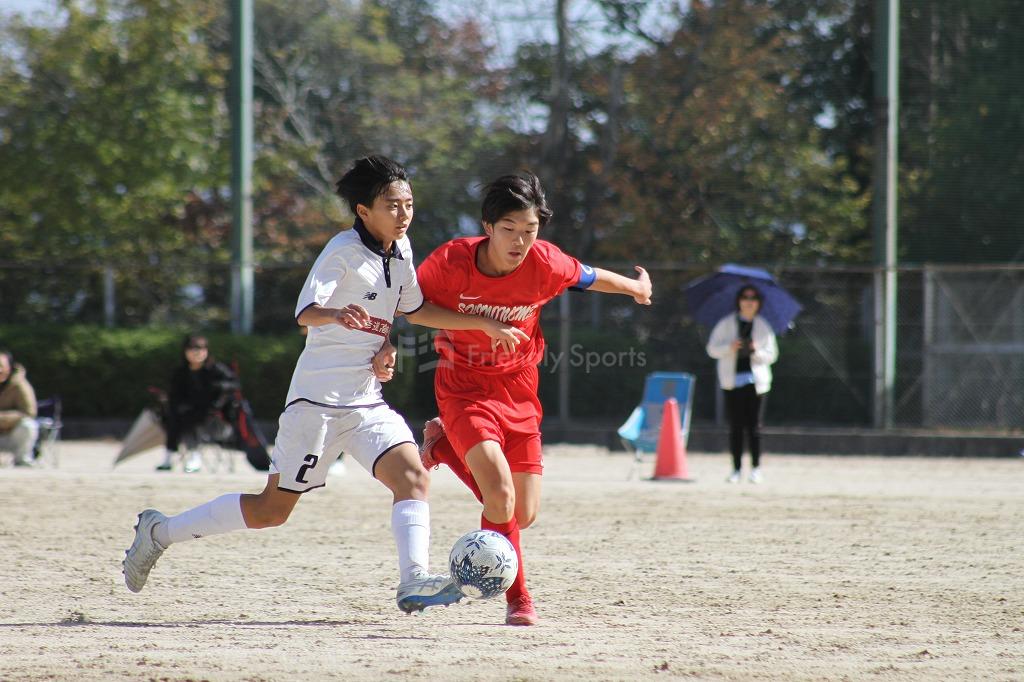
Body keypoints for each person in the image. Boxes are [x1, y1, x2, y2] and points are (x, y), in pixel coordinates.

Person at [122, 155, 528, 614]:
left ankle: (413, 580)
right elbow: (305, 313)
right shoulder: (342, 251)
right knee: (271, 511)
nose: (404, 214)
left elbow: (413, 310)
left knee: (413, 476)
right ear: (364, 211)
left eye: (409, 204)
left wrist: (409, 339)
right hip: (316, 404)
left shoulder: (402, 249)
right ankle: (160, 531)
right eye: (392, 205)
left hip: (365, 402)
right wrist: (336, 314)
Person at [375, 171, 652, 626]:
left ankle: (443, 448)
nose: (520, 240)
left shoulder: (545, 263)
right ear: (488, 227)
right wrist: (480, 325)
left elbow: (588, 276)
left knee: (522, 514)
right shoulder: (451, 262)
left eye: (530, 229)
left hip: (519, 389)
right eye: (509, 229)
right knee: (500, 495)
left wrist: (636, 288)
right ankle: (518, 598)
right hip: (463, 387)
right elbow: (411, 308)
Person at [705, 285, 778, 484]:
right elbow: (712, 349)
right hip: (732, 381)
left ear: (759, 303)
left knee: (755, 426)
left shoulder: (763, 326)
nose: (749, 301)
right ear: (738, 301)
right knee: (736, 426)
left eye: (753, 298)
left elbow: (771, 355)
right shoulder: (726, 323)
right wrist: (730, 347)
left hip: (757, 383)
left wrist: (755, 350)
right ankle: (736, 469)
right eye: (745, 297)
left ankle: (756, 469)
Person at [156, 334, 240, 473]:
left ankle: (194, 456)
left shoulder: (216, 369)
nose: (196, 352)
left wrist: (217, 386)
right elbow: (174, 394)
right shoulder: (181, 372)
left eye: (200, 348)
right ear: (185, 352)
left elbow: (234, 385)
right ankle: (169, 457)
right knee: (174, 416)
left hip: (214, 418)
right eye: (191, 349)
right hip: (185, 414)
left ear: (206, 351)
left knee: (193, 418)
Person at [0, 349, 39, 467]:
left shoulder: (20, 385)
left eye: (1, 366)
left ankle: (22, 459)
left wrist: (3, 418)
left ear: (10, 367)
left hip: (11, 436)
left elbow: (29, 412)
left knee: (28, 425)